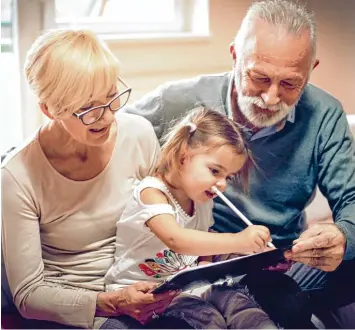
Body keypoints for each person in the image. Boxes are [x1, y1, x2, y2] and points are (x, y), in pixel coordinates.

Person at [122, 0, 355, 326]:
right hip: (194, 265)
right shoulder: (178, 101)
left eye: (290, 84)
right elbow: (110, 135)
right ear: (234, 56)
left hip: (283, 261)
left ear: (311, 69)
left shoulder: (324, 114)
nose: (271, 98)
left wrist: (344, 236)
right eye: (259, 78)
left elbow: (352, 199)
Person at [1, 28, 182, 329]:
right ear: (49, 109)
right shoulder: (16, 176)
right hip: (74, 303)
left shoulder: (138, 133)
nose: (108, 118)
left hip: (142, 282)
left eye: (111, 98)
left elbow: (164, 222)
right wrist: (111, 303)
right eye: (87, 109)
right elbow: (28, 295)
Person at [105, 107, 278, 329]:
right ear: (183, 156)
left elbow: (204, 245)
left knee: (239, 304)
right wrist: (239, 240)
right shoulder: (152, 193)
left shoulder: (202, 199)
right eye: (215, 171)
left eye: (228, 177)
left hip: (183, 286)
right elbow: (176, 239)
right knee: (208, 320)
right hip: (140, 291)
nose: (223, 184)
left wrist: (208, 268)